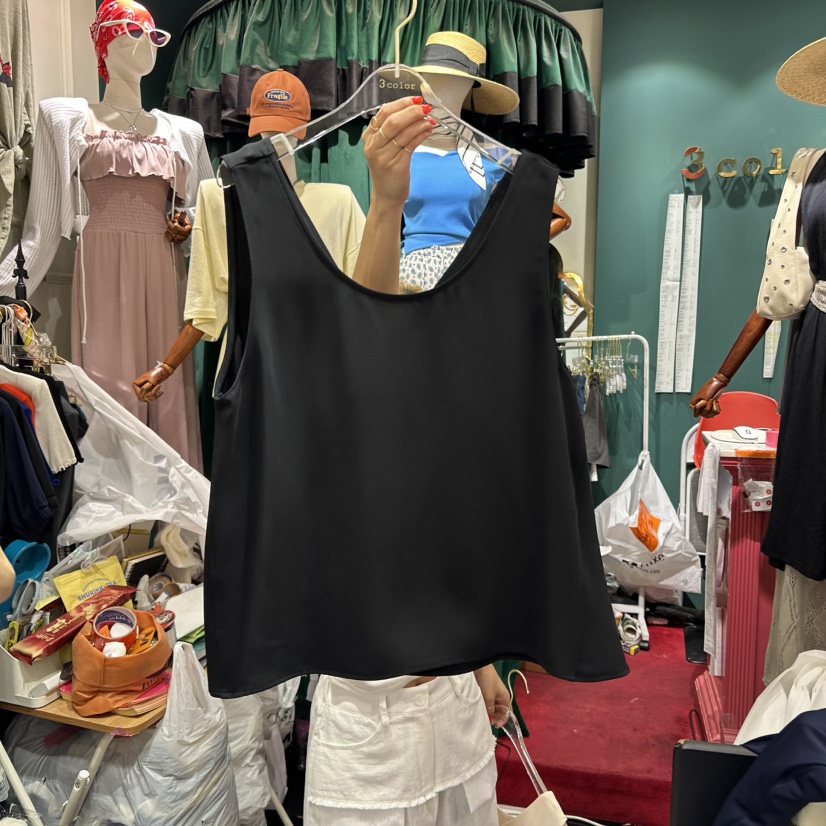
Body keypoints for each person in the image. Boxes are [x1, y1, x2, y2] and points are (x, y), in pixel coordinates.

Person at [302, 96, 511, 826]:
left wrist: (480, 667)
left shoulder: (466, 423)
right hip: (371, 724)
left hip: (454, 709)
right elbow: (368, 330)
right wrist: (388, 202)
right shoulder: (351, 420)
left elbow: (454, 561)